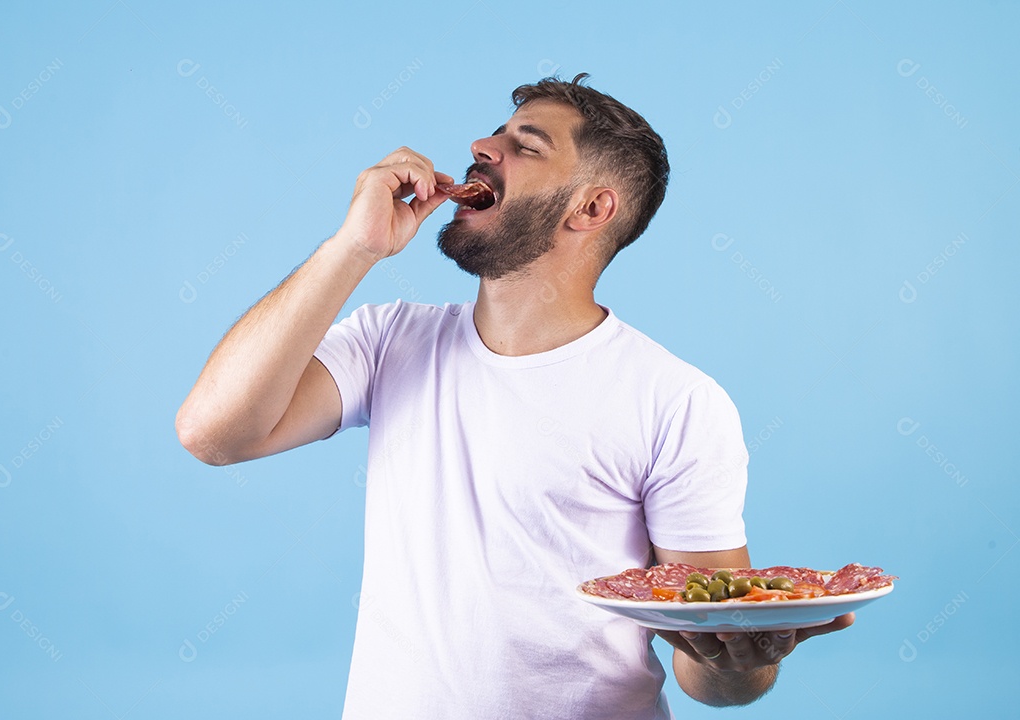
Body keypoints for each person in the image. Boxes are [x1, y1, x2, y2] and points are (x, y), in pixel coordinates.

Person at [176, 73, 853, 719]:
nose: (481, 148)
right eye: (496, 134)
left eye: (526, 146)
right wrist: (354, 247)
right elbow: (214, 432)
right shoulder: (389, 342)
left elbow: (714, 658)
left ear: (591, 208)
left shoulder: (677, 401)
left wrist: (738, 660)